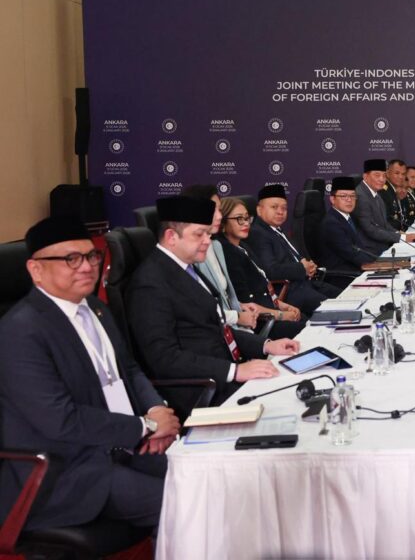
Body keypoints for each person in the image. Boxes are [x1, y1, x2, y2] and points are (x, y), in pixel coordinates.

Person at [0, 216, 181, 531]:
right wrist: (145, 426)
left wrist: (155, 410)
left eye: (91, 256)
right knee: (187, 502)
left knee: (204, 477)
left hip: (121, 444)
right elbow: (60, 420)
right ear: (36, 269)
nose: (86, 267)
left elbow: (129, 370)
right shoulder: (19, 331)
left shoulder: (96, 308)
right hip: (66, 470)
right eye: (71, 259)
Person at [128, 195, 299, 405]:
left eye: (208, 234)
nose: (207, 241)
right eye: (199, 234)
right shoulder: (150, 283)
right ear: (171, 236)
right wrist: (235, 371)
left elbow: (216, 330)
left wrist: (266, 345)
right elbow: (165, 359)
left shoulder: (187, 268)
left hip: (224, 374)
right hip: (202, 390)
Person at [217, 197, 307, 338]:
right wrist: (281, 315)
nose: (246, 223)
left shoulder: (243, 246)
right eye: (239, 219)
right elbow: (246, 304)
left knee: (308, 320)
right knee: (308, 329)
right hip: (260, 323)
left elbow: (262, 287)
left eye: (247, 218)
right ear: (223, 223)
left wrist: (282, 305)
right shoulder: (229, 254)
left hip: (271, 309)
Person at [181, 184, 264, 334]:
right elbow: (204, 309)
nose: (220, 216)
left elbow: (225, 297)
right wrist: (237, 316)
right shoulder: (190, 255)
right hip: (218, 332)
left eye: (219, 210)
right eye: (214, 210)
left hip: (235, 327)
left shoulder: (216, 246)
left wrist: (240, 306)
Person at [245, 184, 339, 315]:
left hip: (305, 283)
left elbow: (293, 257)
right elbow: (270, 271)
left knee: (345, 298)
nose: (280, 212)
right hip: (288, 292)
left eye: (284, 208)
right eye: (274, 207)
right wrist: (302, 268)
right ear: (259, 210)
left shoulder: (276, 229)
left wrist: (308, 265)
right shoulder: (258, 234)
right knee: (335, 309)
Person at [353, 158, 415, 255]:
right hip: (369, 251)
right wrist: (402, 238)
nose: (382, 179)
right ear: (365, 176)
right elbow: (370, 229)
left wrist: (400, 234)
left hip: (381, 246)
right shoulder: (361, 196)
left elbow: (384, 224)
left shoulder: (375, 193)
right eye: (377, 175)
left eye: (384, 175)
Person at [316, 176, 373, 283]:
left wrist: (381, 261)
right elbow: (351, 254)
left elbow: (359, 248)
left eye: (352, 195)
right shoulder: (331, 223)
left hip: (355, 268)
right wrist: (377, 265)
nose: (349, 200)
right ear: (332, 199)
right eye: (343, 196)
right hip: (342, 276)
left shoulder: (350, 217)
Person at [381, 159, 415, 231]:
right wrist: (401, 235)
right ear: (387, 174)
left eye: (403, 174)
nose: (401, 177)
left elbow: (404, 216)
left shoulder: (396, 190)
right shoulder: (383, 192)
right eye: (397, 173)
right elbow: (386, 223)